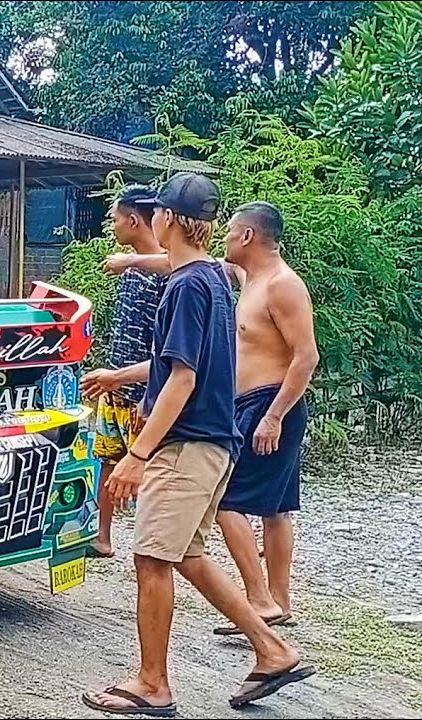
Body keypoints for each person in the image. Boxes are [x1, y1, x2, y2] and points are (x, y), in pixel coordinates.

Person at [81, 173, 313, 716]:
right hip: (214, 439)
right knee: (186, 554)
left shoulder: (187, 286)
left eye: (155, 213)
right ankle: (272, 646)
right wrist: (122, 378)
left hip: (186, 443)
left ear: (165, 219)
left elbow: (182, 379)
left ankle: (153, 684)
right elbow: (180, 365)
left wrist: (137, 456)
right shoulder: (212, 279)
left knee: (152, 559)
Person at [109, 201, 318, 635]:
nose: (222, 238)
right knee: (275, 507)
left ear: (247, 237)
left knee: (228, 502)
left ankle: (264, 600)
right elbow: (180, 259)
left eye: (230, 232)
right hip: (245, 404)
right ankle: (275, 605)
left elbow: (305, 357)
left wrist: (274, 415)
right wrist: (131, 260)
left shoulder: (282, 286)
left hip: (268, 404)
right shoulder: (243, 278)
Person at [80, 184, 167, 559]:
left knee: (147, 467)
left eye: (115, 219)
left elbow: (166, 349)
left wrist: (149, 396)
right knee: (108, 460)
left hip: (144, 391)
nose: (112, 226)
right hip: (116, 383)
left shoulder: (169, 272)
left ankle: (156, 545)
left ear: (133, 220)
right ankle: (103, 535)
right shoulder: (130, 267)